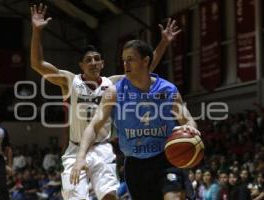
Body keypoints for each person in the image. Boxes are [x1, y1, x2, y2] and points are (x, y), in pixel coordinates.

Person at [30, 3, 181, 200]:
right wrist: (36, 31)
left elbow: (146, 66)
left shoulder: (114, 84)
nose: (93, 62)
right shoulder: (69, 81)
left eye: (97, 59)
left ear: (102, 63)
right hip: (76, 148)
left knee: (110, 196)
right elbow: (37, 64)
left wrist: (163, 43)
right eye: (89, 60)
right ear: (81, 65)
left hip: (102, 147)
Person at [70, 40, 200, 200]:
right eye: (124, 60)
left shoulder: (167, 90)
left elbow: (188, 120)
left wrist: (191, 129)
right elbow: (93, 127)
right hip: (135, 164)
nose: (125, 64)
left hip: (166, 158)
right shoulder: (114, 92)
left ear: (145, 61)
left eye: (130, 59)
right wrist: (80, 157)